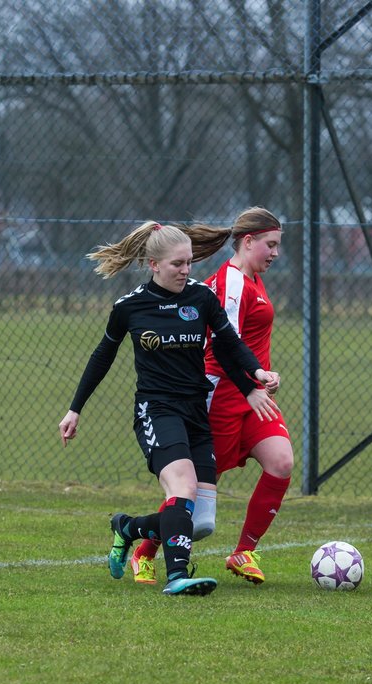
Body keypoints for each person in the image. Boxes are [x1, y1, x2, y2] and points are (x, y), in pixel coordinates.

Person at [58, 222, 281, 597]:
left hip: (195, 412)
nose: (185, 271)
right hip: (157, 410)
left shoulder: (200, 298)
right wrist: (74, 409)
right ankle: (177, 575)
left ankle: (128, 528)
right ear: (153, 264)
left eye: (189, 263)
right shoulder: (130, 307)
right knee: (182, 487)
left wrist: (254, 375)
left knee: (201, 523)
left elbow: (228, 344)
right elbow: (102, 357)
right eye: (177, 264)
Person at [126, 207, 293, 586]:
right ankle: (144, 549)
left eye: (277, 245)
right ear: (248, 242)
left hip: (252, 396)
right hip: (223, 396)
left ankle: (244, 551)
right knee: (194, 500)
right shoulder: (232, 282)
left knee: (281, 462)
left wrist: (259, 378)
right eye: (270, 244)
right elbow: (224, 345)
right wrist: (253, 380)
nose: (275, 253)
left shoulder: (251, 278)